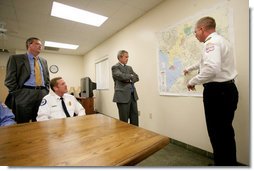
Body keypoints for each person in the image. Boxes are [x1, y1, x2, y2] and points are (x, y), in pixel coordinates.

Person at [183, 16, 238, 166]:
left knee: (217, 134)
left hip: (217, 93)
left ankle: (222, 165)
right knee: (225, 133)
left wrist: (192, 81)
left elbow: (212, 68)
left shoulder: (211, 43)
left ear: (201, 29)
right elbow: (204, 62)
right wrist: (189, 68)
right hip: (228, 90)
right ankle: (227, 164)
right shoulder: (221, 40)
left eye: (195, 32)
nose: (195, 35)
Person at [5, 37, 50, 123]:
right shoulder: (15, 58)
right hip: (25, 93)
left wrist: (46, 90)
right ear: (29, 45)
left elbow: (47, 78)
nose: (40, 46)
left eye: (41, 45)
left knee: (40, 120)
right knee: (22, 122)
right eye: (37, 44)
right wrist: (19, 94)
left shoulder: (44, 61)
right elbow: (9, 80)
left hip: (42, 93)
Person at [111, 50, 139, 126]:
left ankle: (135, 135)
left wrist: (129, 78)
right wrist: (131, 77)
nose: (127, 59)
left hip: (133, 96)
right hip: (122, 96)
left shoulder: (130, 68)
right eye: (126, 57)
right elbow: (121, 76)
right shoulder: (115, 67)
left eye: (128, 57)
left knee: (135, 117)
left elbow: (137, 77)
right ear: (120, 57)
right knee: (124, 120)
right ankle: (124, 137)